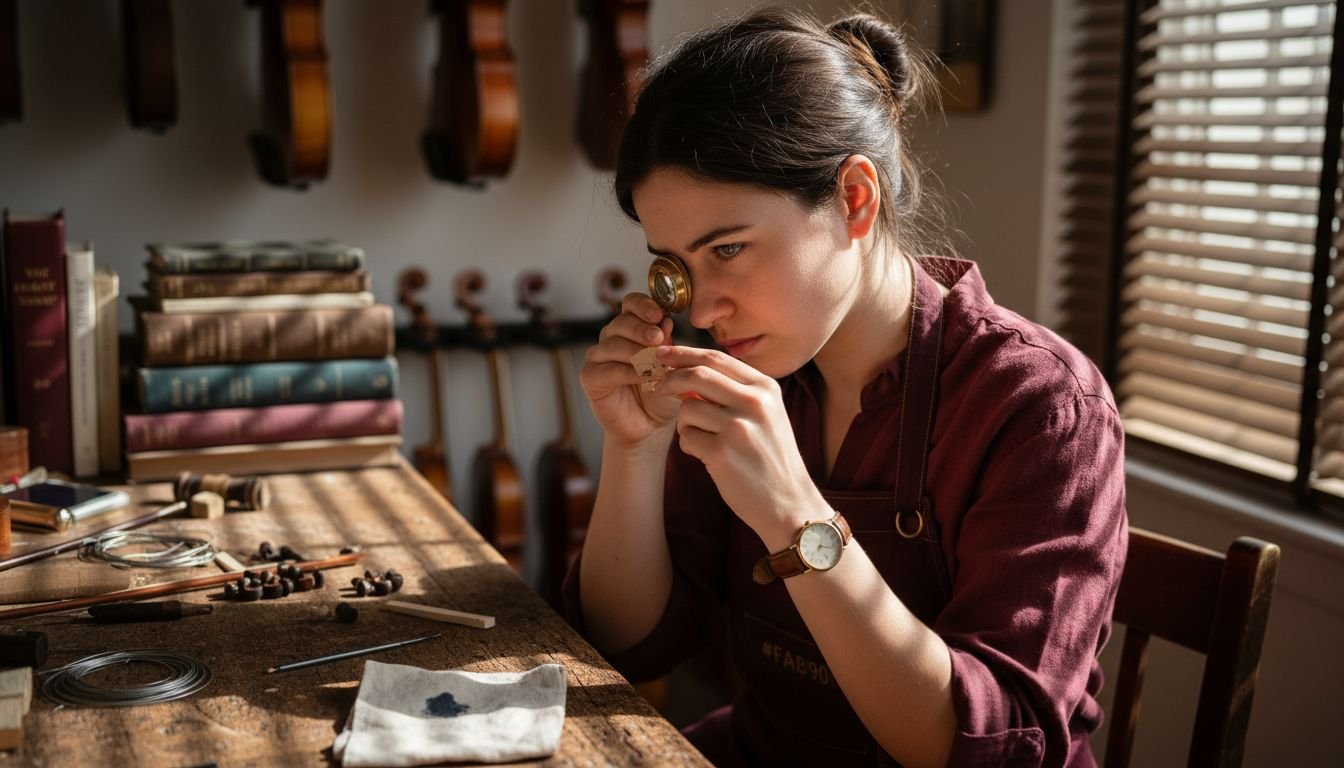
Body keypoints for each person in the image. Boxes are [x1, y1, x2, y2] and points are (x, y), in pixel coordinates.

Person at [564, 7, 1127, 768]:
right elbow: (631, 643)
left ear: (855, 200)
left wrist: (794, 513)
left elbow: (996, 747)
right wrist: (632, 448)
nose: (700, 309)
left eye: (728, 248)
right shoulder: (758, 373)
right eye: (677, 265)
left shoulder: (1038, 407)